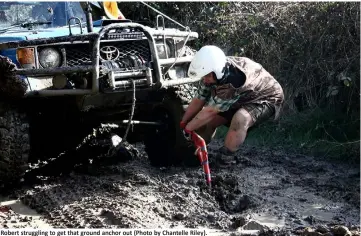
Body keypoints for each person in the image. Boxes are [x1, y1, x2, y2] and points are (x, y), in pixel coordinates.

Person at [180, 45, 284, 162]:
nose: (205, 80)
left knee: (240, 119)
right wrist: (183, 122)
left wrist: (187, 130)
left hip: (266, 97)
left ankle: (226, 156)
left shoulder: (233, 80)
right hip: (242, 96)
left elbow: (210, 111)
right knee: (208, 122)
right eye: (203, 77)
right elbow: (198, 100)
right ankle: (194, 150)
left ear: (217, 72)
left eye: (207, 77)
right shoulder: (210, 70)